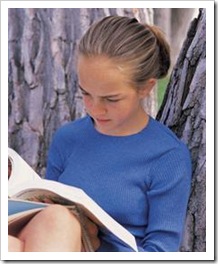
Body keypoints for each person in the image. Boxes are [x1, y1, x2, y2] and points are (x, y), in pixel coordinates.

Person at [8, 15, 192, 252]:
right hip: (49, 244)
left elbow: (161, 252)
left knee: (58, 221)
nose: (94, 108)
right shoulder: (68, 139)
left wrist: (94, 244)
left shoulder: (167, 157)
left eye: (111, 99)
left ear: (146, 87)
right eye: (86, 93)